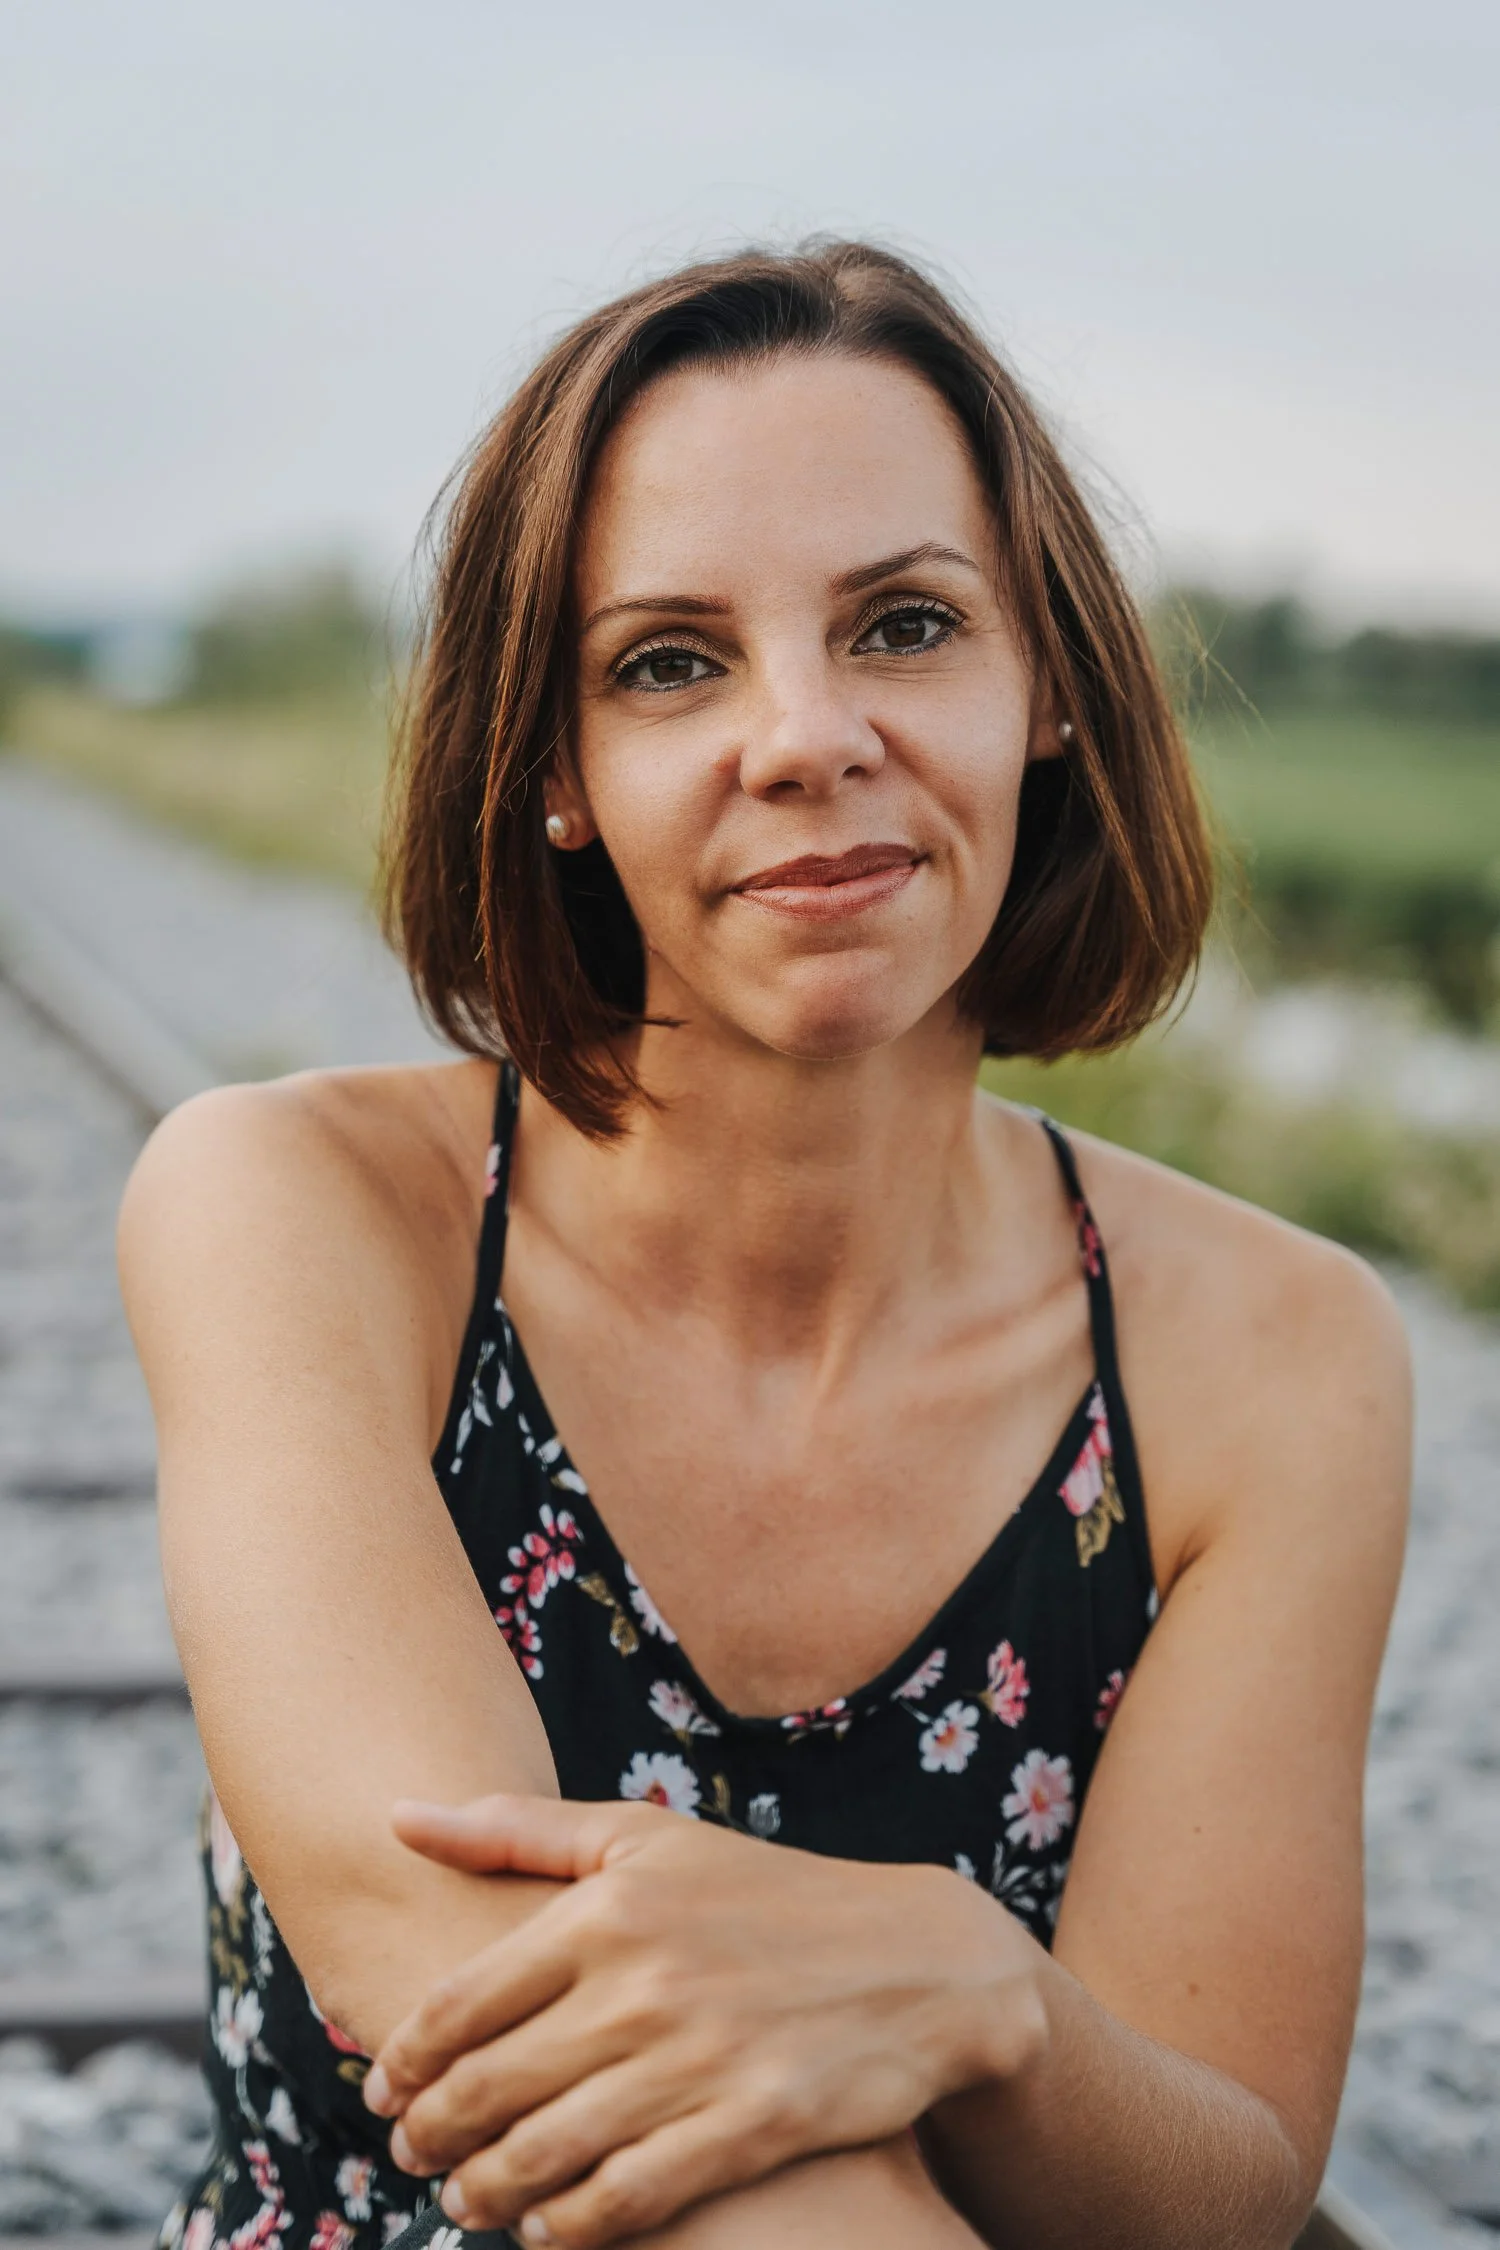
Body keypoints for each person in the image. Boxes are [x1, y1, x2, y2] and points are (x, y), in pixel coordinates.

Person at [122, 242, 1410, 2250]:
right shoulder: (295, 1213)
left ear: (1048, 685)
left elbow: (1214, 2193)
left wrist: (981, 1998)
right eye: (667, 661)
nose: (805, 737)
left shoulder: (1280, 1349)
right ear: (551, 769)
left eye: (904, 624)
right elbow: (502, 2031)